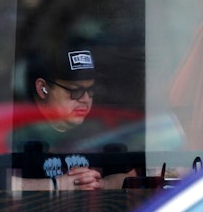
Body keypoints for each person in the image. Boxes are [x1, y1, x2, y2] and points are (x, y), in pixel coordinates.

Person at [12, 48, 138, 191]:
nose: (86, 99)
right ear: (43, 88)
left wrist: (101, 184)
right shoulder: (16, 133)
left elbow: (134, 175)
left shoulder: (102, 132)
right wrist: (55, 185)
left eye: (91, 90)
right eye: (75, 91)